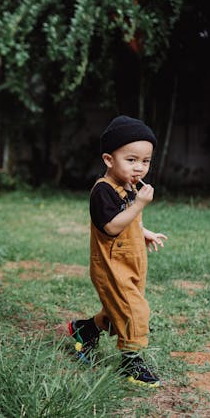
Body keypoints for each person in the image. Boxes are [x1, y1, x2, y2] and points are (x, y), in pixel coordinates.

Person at [67, 115, 167, 387]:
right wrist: (139, 206)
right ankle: (131, 363)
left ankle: (85, 330)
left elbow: (130, 220)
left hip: (131, 261)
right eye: (131, 160)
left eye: (145, 161)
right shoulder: (102, 191)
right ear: (109, 160)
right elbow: (111, 226)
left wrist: (143, 232)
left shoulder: (129, 186)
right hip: (111, 264)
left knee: (118, 310)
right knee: (135, 311)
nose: (139, 168)